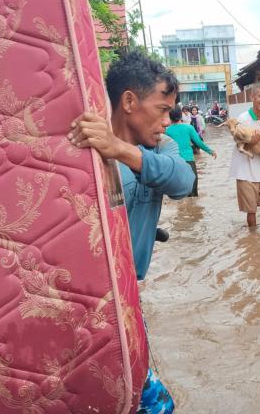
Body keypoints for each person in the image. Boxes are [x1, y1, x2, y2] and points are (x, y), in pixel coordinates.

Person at [68, 51, 194, 414]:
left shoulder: (161, 148)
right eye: (162, 109)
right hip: (85, 302)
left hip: (129, 297)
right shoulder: (84, 151)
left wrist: (119, 150)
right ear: (128, 101)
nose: (168, 121)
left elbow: (184, 181)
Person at [228, 83, 260, 227]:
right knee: (251, 210)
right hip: (245, 171)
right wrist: (252, 141)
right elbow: (238, 144)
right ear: (253, 97)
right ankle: (253, 239)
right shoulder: (243, 118)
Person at [166, 106, 217, 197]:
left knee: (179, 192)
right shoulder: (188, 127)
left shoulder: (167, 130)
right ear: (181, 115)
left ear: (169, 117)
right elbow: (198, 142)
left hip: (174, 162)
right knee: (192, 193)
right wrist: (210, 151)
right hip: (189, 160)